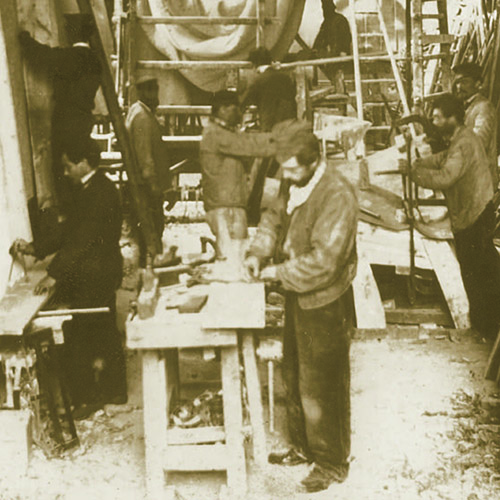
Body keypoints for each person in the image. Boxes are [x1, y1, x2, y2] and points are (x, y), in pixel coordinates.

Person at [244, 120, 357, 493]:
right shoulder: (295, 181)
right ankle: (304, 446)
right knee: (294, 372)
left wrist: (273, 273)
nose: (286, 175)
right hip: (298, 292)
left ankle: (330, 462)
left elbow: (324, 262)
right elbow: (273, 217)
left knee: (321, 385)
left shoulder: (336, 194)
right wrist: (259, 250)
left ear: (313, 161)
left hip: (325, 299)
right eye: (284, 169)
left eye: (292, 168)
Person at [17, 139, 127, 419]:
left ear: (83, 163)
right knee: (101, 330)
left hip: (97, 272)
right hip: (96, 269)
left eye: (68, 166)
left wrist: (54, 276)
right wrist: (35, 248)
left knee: (85, 333)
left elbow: (80, 241)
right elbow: (69, 230)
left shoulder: (100, 192)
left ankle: (90, 396)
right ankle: (112, 390)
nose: (64, 172)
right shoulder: (91, 188)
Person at [400, 93, 500, 340]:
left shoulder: (464, 142)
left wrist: (414, 175)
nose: (433, 121)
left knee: (476, 271)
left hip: (475, 213)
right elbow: (443, 159)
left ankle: (487, 327)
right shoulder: (459, 138)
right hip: (474, 210)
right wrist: (421, 163)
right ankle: (486, 323)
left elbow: (446, 176)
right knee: (481, 268)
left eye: (436, 117)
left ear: (452, 118)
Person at [19, 14, 102, 212]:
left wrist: (24, 39)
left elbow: (43, 56)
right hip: (82, 120)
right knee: (77, 170)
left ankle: (69, 216)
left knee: (63, 171)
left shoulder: (71, 57)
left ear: (72, 33)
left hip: (67, 121)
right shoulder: (94, 60)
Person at [200, 90, 277, 259]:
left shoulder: (222, 132)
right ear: (222, 109)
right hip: (226, 209)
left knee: (233, 257)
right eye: (236, 109)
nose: (240, 114)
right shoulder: (216, 134)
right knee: (234, 260)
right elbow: (249, 145)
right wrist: (285, 138)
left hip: (228, 207)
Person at [125, 76, 168, 256]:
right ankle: (149, 267)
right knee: (151, 231)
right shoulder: (142, 117)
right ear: (141, 92)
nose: (155, 95)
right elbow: (145, 157)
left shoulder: (138, 111)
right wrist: (154, 186)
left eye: (155, 90)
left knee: (145, 233)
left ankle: (147, 265)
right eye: (151, 91)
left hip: (142, 185)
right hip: (146, 187)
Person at [452, 62, 498, 189]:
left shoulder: (483, 107)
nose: (459, 87)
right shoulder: (465, 107)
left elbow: (479, 142)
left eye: (464, 82)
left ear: (478, 84)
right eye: (457, 82)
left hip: (481, 182)